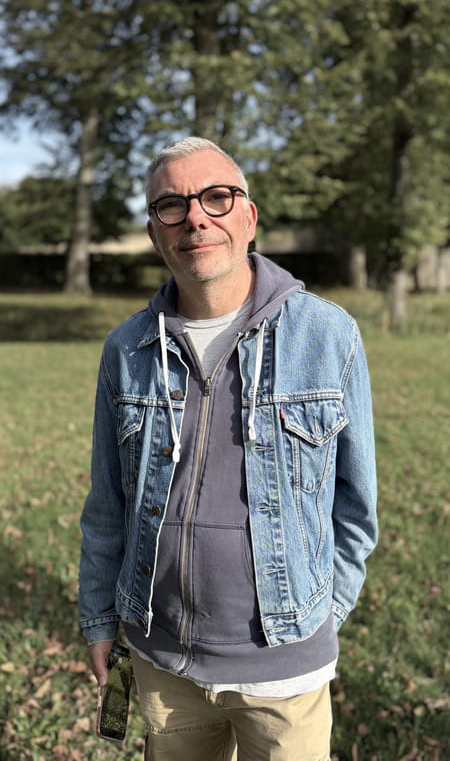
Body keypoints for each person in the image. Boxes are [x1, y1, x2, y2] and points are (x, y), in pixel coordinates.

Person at [79, 136, 377, 761]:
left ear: (249, 216)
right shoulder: (126, 349)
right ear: (155, 233)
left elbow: (356, 507)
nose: (195, 217)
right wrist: (101, 617)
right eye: (172, 204)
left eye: (216, 197)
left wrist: (320, 614)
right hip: (163, 664)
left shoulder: (327, 335)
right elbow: (107, 505)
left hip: (285, 670)